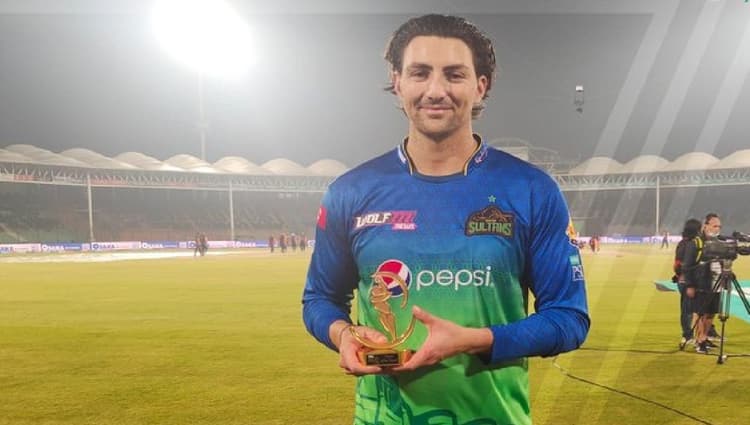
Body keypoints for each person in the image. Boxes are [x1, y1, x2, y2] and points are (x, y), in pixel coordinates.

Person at [301, 14, 590, 425]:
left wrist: (478, 340)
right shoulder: (350, 192)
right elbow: (320, 299)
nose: (435, 90)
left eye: (454, 75)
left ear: (480, 86)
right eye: (420, 73)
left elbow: (569, 318)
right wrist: (344, 335)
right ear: (398, 82)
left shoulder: (532, 189)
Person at [683, 213, 722, 353]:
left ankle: (705, 337)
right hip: (701, 283)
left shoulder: (719, 242)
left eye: (719, 226)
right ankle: (700, 341)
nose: (717, 229)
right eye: (714, 226)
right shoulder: (696, 243)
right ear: (705, 226)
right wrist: (690, 285)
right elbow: (687, 266)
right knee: (701, 313)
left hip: (717, 283)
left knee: (711, 313)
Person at [673, 219, 701, 348]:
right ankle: (687, 336)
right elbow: (679, 264)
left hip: (685, 280)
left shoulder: (684, 243)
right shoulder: (689, 244)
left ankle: (693, 335)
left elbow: (677, 264)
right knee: (688, 310)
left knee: (690, 309)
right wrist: (682, 275)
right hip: (687, 281)